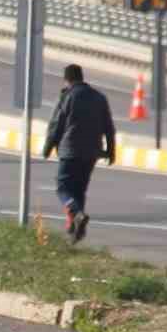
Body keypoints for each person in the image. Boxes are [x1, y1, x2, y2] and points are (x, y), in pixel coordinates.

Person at [41, 63, 115, 243]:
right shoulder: (99, 97)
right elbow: (109, 127)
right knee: (79, 190)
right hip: (91, 153)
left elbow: (57, 124)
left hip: (70, 150)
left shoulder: (67, 97)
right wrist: (111, 150)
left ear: (67, 80)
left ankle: (76, 214)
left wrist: (48, 146)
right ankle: (76, 231)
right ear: (82, 77)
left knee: (63, 187)